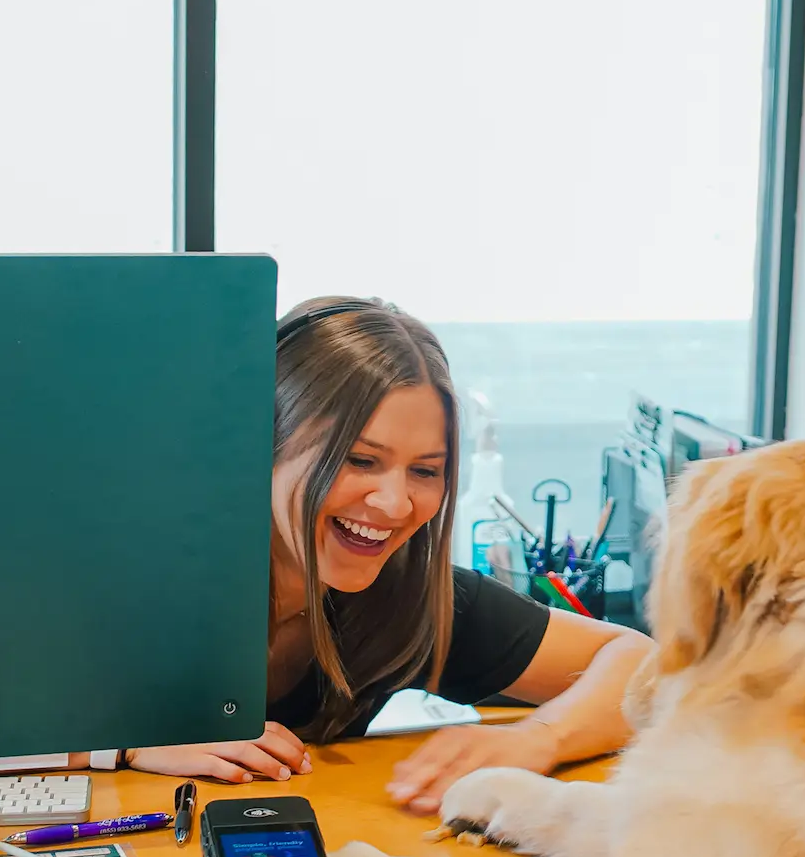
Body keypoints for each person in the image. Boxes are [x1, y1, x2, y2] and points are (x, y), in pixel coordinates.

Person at [128, 297, 650, 814]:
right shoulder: (144, 577)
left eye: (425, 471)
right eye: (359, 460)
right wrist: (125, 745)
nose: (395, 503)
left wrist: (540, 739)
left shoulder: (408, 595)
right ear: (263, 447)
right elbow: (44, 723)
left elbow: (646, 667)